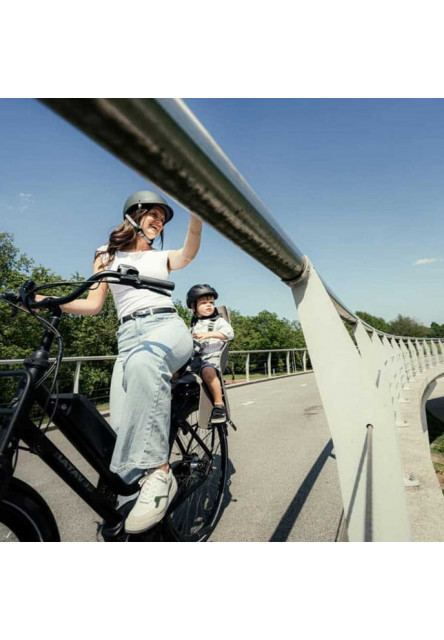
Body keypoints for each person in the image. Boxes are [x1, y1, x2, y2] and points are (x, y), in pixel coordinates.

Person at [38, 190, 202, 534]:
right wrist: (41, 300)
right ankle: (138, 514)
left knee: (146, 363)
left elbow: (188, 252)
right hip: (127, 340)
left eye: (162, 217)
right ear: (133, 216)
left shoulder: (161, 258)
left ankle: (160, 475)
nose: (158, 222)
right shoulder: (106, 256)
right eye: (152, 215)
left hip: (165, 327)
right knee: (123, 431)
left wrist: (197, 216)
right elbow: (92, 304)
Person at [186, 284, 234, 424]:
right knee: (175, 371)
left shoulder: (218, 321)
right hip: (195, 358)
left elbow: (229, 334)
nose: (209, 305)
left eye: (211, 303)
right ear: (193, 307)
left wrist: (209, 334)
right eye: (204, 303)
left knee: (207, 371)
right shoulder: (193, 325)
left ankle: (219, 405)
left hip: (212, 357)